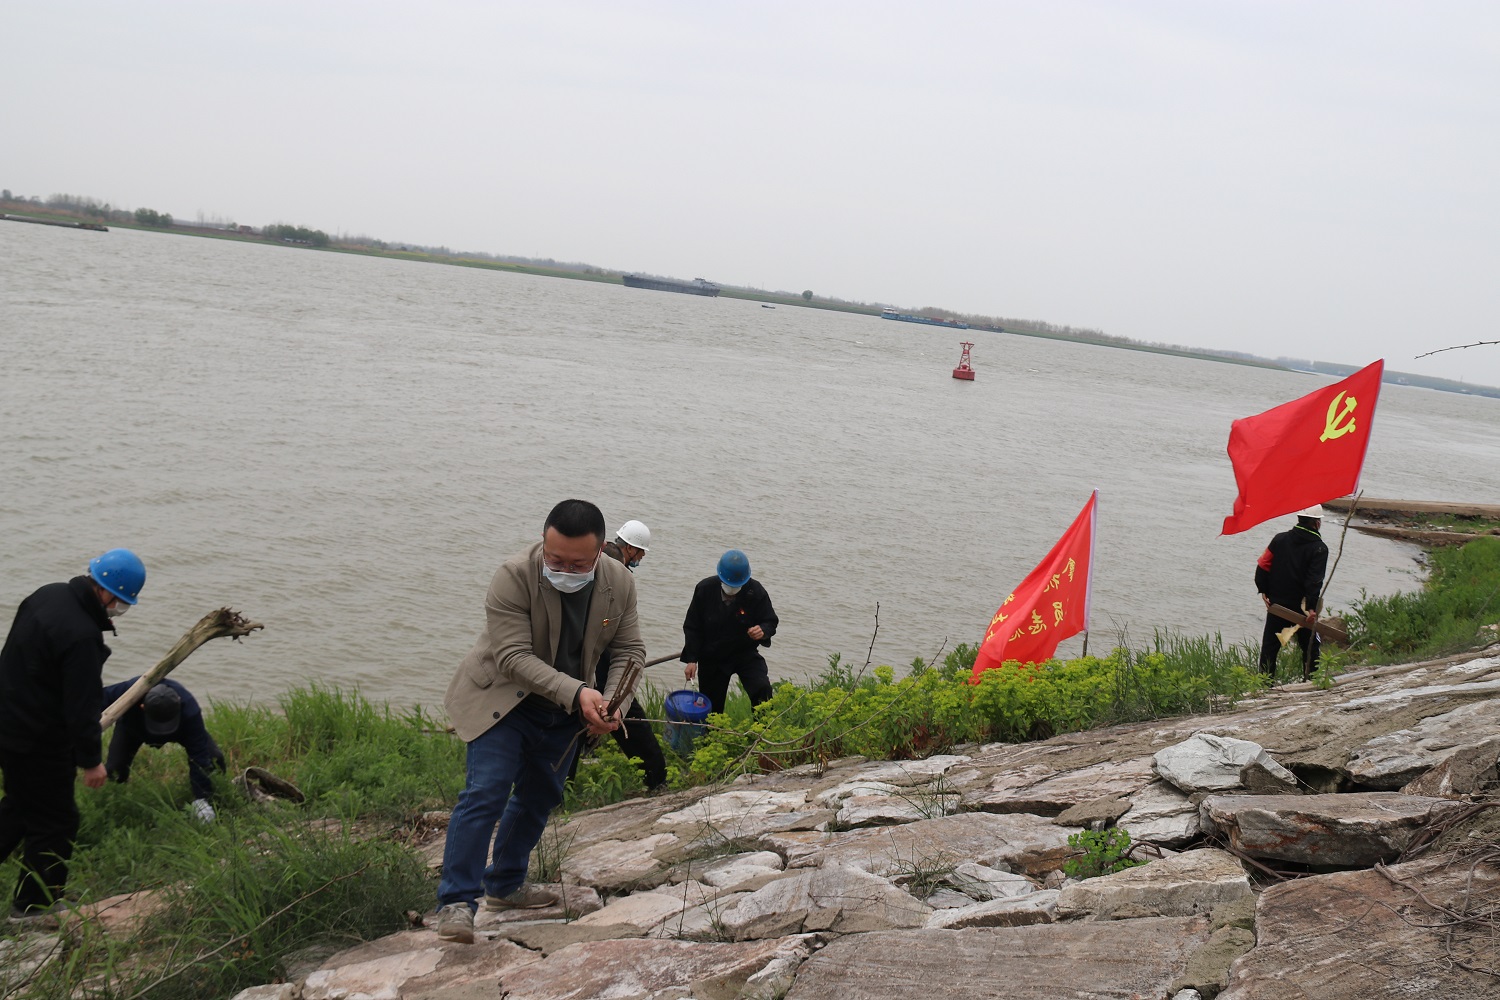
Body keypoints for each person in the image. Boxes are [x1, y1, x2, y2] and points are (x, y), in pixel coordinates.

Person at [434, 500, 644, 944]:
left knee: (540, 795)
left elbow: (629, 651)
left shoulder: (619, 582)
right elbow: (512, 657)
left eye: (578, 564)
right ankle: (456, 902)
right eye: (555, 559)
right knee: (486, 791)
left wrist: (613, 703)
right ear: (543, 542)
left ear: (601, 551)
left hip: (565, 707)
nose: (564, 569)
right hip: (503, 699)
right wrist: (578, 692)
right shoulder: (514, 575)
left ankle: (505, 885)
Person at [0, 549, 146, 922]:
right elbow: (81, 707)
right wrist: (92, 761)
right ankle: (33, 909)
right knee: (56, 822)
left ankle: (32, 902)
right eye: (121, 602)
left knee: (20, 806)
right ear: (106, 592)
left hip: (9, 721)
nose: (119, 610)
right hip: (38, 740)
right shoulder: (82, 636)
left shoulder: (47, 594)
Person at [580, 520, 667, 789]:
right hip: (606, 661)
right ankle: (657, 781)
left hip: (588, 659)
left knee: (578, 717)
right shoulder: (617, 570)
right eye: (641, 552)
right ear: (630, 548)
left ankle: (560, 791)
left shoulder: (604, 558)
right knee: (630, 721)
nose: (642, 557)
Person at [100, 678, 227, 823]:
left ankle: (214, 797)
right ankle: (113, 803)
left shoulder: (190, 709)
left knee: (214, 757)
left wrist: (201, 797)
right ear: (142, 707)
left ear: (179, 703)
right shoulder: (130, 691)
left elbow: (198, 756)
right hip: (133, 729)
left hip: (180, 730)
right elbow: (95, 700)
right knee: (115, 769)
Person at [681, 549, 779, 716]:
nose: (732, 589)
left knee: (762, 689)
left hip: (745, 653)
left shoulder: (756, 591)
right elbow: (693, 626)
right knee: (712, 709)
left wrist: (762, 631)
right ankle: (712, 732)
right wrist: (691, 659)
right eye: (728, 584)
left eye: (736, 585)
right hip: (712, 655)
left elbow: (770, 621)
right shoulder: (704, 589)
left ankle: (763, 729)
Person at [1255, 505, 1329, 676]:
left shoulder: (1279, 539)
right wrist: (1311, 608)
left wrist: (1264, 591)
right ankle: (1312, 681)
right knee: (1311, 647)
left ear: (1299, 519)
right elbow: (1314, 581)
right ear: (1317, 523)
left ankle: (1264, 684)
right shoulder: (1319, 548)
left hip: (1277, 605)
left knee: (1270, 648)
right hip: (1302, 610)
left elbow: (1263, 565)